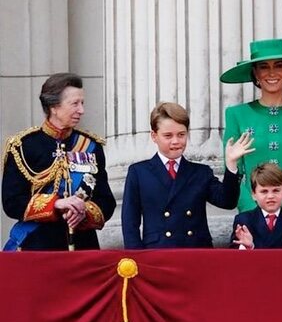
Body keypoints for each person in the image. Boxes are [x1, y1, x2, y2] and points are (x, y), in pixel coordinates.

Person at [2, 73, 116, 251]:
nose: (81, 110)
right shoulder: (23, 146)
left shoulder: (91, 146)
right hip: (38, 247)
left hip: (83, 247)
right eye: (75, 104)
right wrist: (55, 204)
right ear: (54, 107)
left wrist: (83, 210)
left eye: (82, 103)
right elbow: (12, 202)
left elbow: (106, 201)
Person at [121, 102, 253, 249]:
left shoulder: (201, 172)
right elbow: (130, 222)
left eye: (181, 134)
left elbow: (227, 202)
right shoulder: (139, 172)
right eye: (168, 136)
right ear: (154, 136)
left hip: (196, 254)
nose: (176, 141)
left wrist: (231, 165)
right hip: (157, 254)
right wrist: (136, 259)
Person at [220, 38, 282, 220]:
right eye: (263, 67)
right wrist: (253, 216)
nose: (272, 73)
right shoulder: (236, 115)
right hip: (251, 224)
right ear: (255, 73)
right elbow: (234, 173)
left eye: (279, 65)